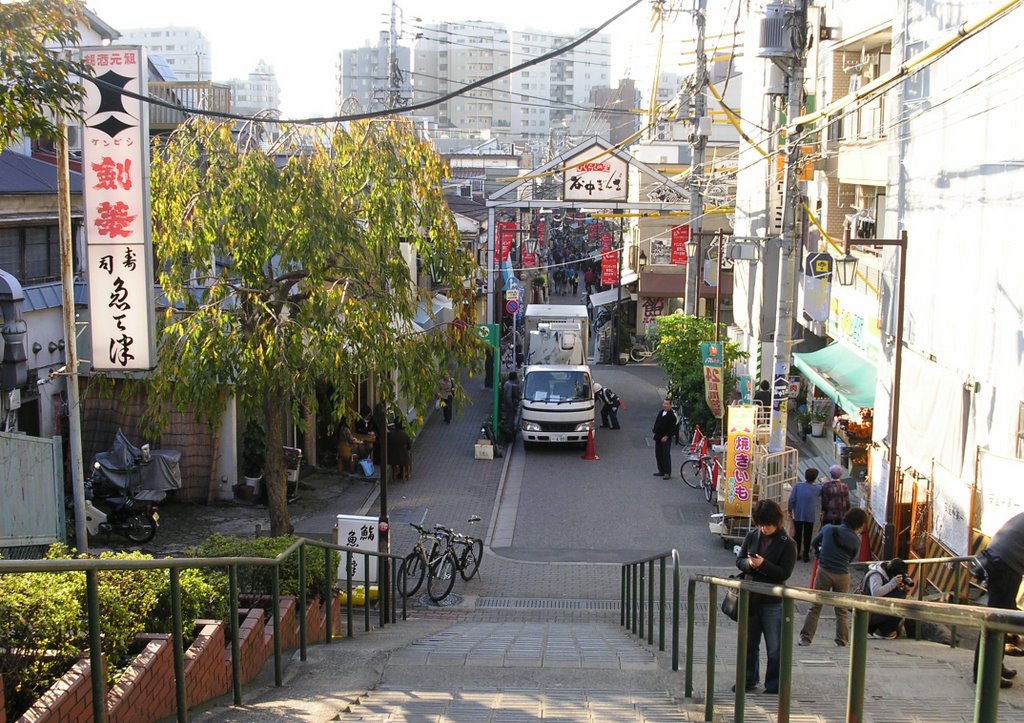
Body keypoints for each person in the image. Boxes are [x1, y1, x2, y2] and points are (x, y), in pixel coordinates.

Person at [736, 499, 797, 694]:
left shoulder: (787, 544)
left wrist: (762, 564)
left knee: (775, 647)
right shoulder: (753, 535)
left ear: (777, 522)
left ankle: (774, 684)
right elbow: (739, 560)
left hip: (772, 601)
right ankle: (748, 679)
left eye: (768, 525)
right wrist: (748, 564)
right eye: (761, 524)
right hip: (751, 598)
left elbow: (784, 573)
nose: (765, 528)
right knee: (748, 644)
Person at [799, 507, 868, 647]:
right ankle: (842, 640)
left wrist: (821, 556)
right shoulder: (856, 540)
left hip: (824, 571)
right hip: (842, 575)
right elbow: (851, 558)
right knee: (841, 610)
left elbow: (814, 543)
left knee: (815, 606)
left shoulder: (828, 529)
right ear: (859, 524)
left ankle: (806, 638)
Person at [973, 511, 1024, 688]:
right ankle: (985, 674)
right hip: (1005, 566)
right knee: (995, 622)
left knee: (1001, 620)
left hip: (999, 561)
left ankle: (995, 666)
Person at [864, 558, 914, 640]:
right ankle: (882, 631)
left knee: (901, 595)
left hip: (876, 608)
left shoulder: (887, 574)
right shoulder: (876, 574)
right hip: (870, 611)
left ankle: (887, 630)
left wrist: (902, 588)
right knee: (898, 597)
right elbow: (876, 593)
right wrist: (893, 583)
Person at [788, 468, 822, 562]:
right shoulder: (817, 488)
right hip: (810, 516)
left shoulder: (798, 486)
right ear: (815, 478)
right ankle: (806, 554)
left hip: (798, 514)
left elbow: (791, 499)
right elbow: (822, 487)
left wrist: (790, 510)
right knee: (808, 535)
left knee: (797, 535)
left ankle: (797, 553)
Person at [651, 399, 677, 480]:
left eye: (667, 404)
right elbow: (657, 422)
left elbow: (672, 429)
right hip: (658, 437)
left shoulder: (672, 416)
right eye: (664, 403)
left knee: (666, 455)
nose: (665, 405)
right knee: (658, 454)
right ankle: (661, 470)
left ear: (670, 405)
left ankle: (667, 472)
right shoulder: (661, 412)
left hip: (665, 438)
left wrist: (667, 436)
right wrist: (654, 431)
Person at [386, 418, 412, 483]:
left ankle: (393, 476)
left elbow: (387, 445)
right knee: (406, 455)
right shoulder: (405, 435)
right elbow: (409, 447)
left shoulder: (390, 434)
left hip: (391, 458)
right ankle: (403, 474)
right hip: (402, 458)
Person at [501, 372, 520, 436]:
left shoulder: (506, 383)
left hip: (506, 405)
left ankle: (509, 432)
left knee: (508, 419)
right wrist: (511, 405)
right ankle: (509, 434)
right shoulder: (510, 385)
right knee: (510, 420)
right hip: (509, 406)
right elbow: (508, 396)